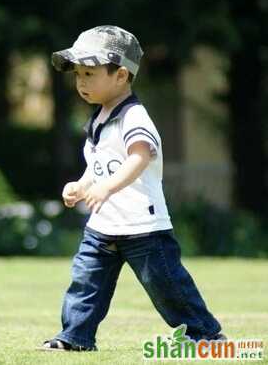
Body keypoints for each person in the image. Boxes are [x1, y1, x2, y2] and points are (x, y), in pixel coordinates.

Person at [40, 26, 225, 351]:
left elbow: (139, 157)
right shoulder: (99, 117)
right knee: (86, 282)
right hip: (103, 226)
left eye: (89, 73)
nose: (81, 82)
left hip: (143, 226)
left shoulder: (135, 117)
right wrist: (81, 185)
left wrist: (108, 187)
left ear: (121, 75)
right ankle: (75, 338)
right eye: (78, 74)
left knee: (166, 285)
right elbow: (99, 164)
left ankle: (205, 335)